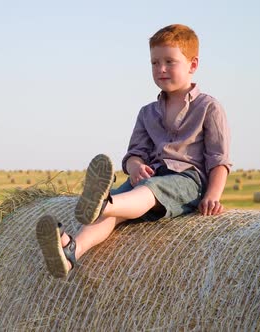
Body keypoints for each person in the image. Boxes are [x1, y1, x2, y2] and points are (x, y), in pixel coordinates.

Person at [36, 24, 232, 278]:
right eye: (154, 63)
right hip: (150, 176)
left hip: (187, 180)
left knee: (141, 193)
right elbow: (134, 154)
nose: (160, 69)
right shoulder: (147, 112)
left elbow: (218, 158)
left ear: (192, 65)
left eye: (169, 62)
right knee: (116, 212)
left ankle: (102, 203)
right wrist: (137, 167)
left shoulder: (209, 107)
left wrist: (213, 195)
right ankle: (72, 251)